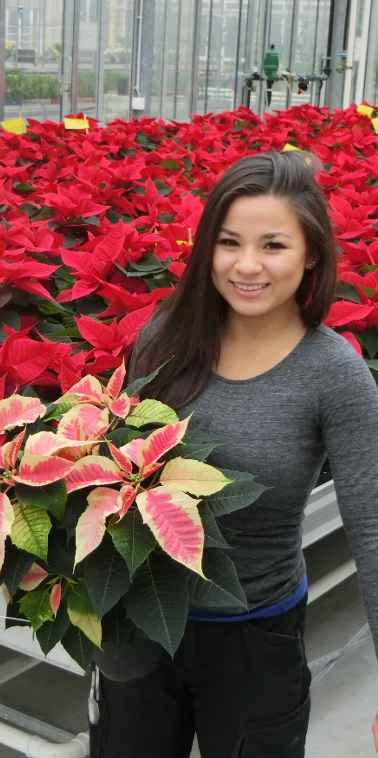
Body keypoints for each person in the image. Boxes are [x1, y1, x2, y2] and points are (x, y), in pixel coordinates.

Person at [88, 150, 378, 757]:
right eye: (228, 243)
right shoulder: (163, 339)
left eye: (273, 245)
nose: (247, 266)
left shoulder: (334, 373)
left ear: (312, 255)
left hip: (255, 639)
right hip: (140, 624)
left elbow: (373, 527)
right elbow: (107, 467)